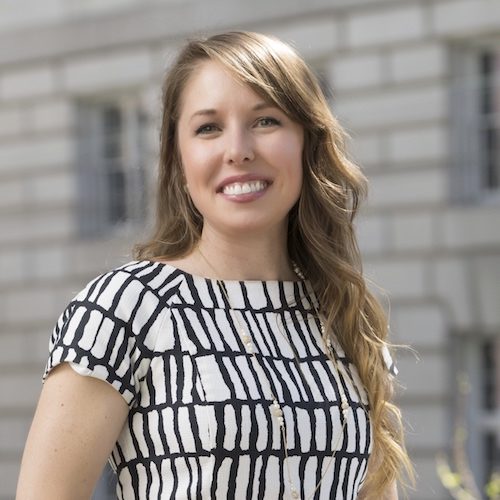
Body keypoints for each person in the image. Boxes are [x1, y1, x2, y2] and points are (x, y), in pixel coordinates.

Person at [16, 31, 412, 499]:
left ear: (308, 140)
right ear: (178, 158)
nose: (238, 150)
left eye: (266, 121)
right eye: (208, 128)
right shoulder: (125, 308)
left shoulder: (346, 314)